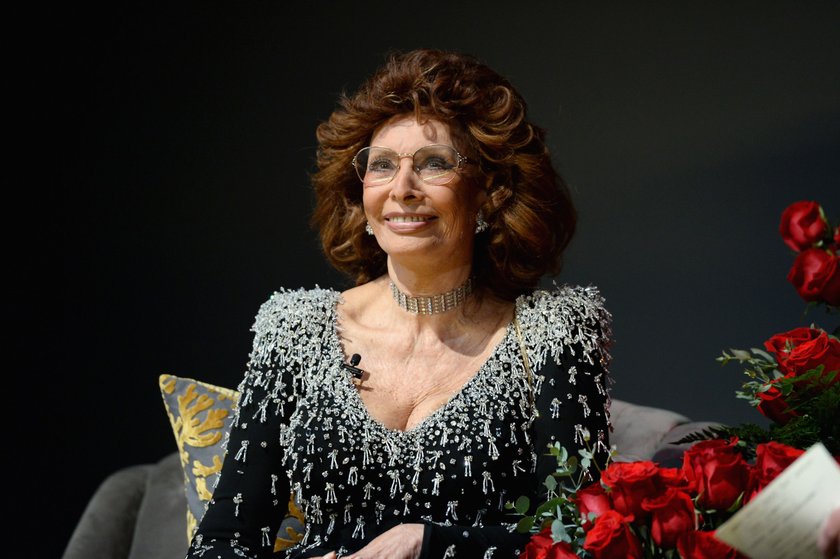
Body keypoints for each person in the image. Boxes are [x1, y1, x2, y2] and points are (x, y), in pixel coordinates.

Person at [186, 48, 612, 559]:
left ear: (489, 192)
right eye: (382, 165)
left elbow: (581, 541)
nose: (402, 189)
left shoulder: (555, 332)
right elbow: (220, 543)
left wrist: (423, 544)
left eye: (434, 164)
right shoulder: (295, 330)